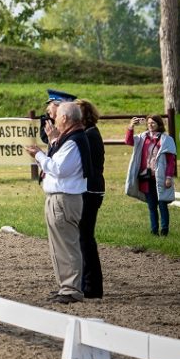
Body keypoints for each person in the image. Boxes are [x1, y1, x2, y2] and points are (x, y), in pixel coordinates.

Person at [25, 101, 90, 304]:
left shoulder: (74, 141)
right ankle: (65, 287)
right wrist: (50, 145)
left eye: (56, 116)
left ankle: (71, 289)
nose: (53, 120)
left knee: (66, 245)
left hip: (64, 199)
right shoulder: (70, 139)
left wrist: (38, 155)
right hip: (59, 198)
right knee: (58, 246)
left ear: (64, 118)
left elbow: (60, 169)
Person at [125, 114, 178, 236]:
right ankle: (154, 230)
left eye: (153, 123)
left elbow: (171, 161)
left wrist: (168, 177)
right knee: (152, 205)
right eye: (148, 123)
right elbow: (128, 141)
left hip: (160, 178)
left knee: (162, 204)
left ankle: (164, 230)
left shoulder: (166, 140)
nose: (150, 125)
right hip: (146, 178)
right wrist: (131, 126)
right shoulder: (143, 138)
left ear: (159, 124)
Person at [75, 99, 105, 299]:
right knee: (83, 238)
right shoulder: (89, 133)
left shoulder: (90, 135)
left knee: (86, 238)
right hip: (90, 189)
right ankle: (87, 283)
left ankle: (92, 286)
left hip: (91, 191)